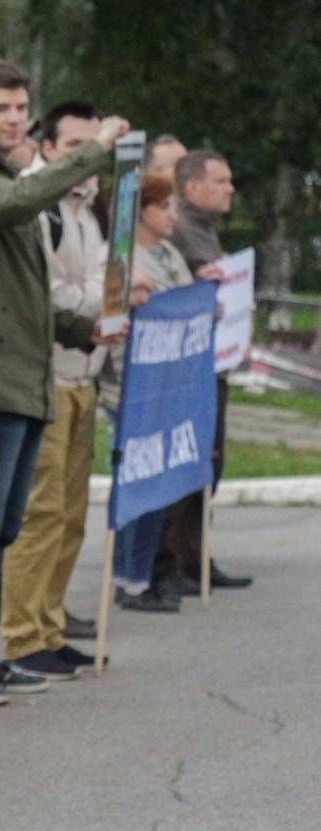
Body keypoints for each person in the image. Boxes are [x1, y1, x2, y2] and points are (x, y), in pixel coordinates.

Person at [0, 58, 130, 706]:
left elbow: (22, 294)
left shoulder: (6, 175)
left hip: (23, 377)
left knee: (1, 529)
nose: (13, 119)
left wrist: (80, 329)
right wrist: (91, 154)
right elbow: (10, 205)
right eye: (1, 108)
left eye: (20, 109)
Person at [0, 101, 111, 679]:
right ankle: (22, 636)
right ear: (47, 148)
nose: (87, 159)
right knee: (39, 515)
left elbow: (94, 283)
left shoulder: (87, 209)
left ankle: (50, 625)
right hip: (46, 372)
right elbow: (41, 294)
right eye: (75, 148)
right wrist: (97, 309)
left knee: (70, 515)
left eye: (95, 147)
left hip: (83, 374)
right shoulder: (39, 206)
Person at [149, 150, 249, 593]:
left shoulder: (201, 230)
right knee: (192, 465)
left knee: (208, 464)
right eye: (221, 181)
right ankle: (176, 561)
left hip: (211, 363)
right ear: (193, 187)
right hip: (192, 371)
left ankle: (193, 558)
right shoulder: (186, 232)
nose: (230, 189)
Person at [110, 174, 197, 612]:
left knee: (158, 483)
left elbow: (185, 299)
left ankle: (144, 573)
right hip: (132, 383)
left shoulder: (170, 254)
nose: (173, 217)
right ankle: (128, 577)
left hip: (168, 382)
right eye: (165, 208)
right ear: (142, 210)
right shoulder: (126, 259)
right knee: (136, 482)